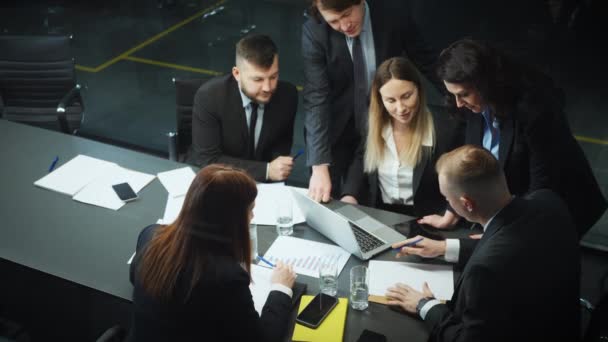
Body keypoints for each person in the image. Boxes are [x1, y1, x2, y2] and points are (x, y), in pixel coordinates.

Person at [387, 145, 580, 342]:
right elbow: (517, 248)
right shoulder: (548, 200)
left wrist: (426, 306)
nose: (447, 202)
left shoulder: (484, 272)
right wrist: (444, 248)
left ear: (467, 204)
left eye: (447, 198)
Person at [420, 38, 606, 236]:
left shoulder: (535, 109)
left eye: (463, 94)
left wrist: (498, 230)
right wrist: (452, 212)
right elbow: (466, 166)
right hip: (514, 205)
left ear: (484, 84)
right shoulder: (471, 103)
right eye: (454, 94)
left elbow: (542, 187)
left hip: (559, 208)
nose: (458, 103)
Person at [128, 164, 297, 342]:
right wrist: (281, 288)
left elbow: (135, 278)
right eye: (249, 209)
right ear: (230, 219)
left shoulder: (150, 236)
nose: (252, 216)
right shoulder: (227, 277)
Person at [302, 0, 439, 202]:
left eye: (348, 14)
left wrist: (458, 94)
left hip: (383, 124)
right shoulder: (314, 31)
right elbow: (316, 97)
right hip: (335, 131)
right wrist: (319, 166)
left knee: (371, 200)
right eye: (334, 21)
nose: (344, 25)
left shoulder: (392, 14)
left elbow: (426, 60)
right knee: (325, 198)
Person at [340, 56, 461, 219]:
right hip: (379, 215)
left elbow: (462, 178)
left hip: (428, 221)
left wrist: (451, 214)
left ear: (418, 89)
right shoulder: (371, 124)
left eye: (406, 96)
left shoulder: (446, 127)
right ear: (380, 99)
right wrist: (350, 195)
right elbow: (362, 158)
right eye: (390, 100)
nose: (400, 108)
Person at [189, 34, 298, 182]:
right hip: (220, 181)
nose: (268, 88)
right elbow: (208, 159)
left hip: (266, 187)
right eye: (258, 79)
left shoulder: (288, 95)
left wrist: (280, 165)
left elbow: (281, 142)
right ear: (237, 73)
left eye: (273, 77)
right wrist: (266, 170)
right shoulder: (209, 97)